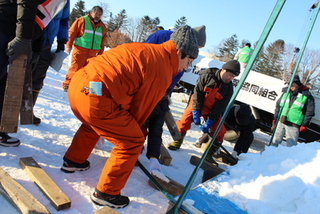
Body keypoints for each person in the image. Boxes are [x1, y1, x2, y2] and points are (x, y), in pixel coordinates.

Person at [60, 25, 199, 208]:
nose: (185, 67)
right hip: (95, 99)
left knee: (96, 122)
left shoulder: (145, 49)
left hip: (79, 87)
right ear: (180, 52)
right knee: (132, 140)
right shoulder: (162, 69)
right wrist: (137, 133)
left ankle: (73, 160)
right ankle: (106, 193)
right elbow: (139, 111)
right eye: (188, 62)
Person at [143, 25, 206, 173]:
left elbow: (177, 74)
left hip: (160, 89)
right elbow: (144, 53)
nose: (195, 49)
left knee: (154, 119)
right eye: (196, 45)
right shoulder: (162, 36)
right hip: (145, 83)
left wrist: (166, 96)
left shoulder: (188, 54)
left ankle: (140, 151)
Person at [167, 60, 241, 164]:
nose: (231, 78)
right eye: (230, 75)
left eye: (233, 77)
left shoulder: (228, 89)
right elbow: (197, 93)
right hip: (196, 103)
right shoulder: (207, 75)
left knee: (220, 132)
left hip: (211, 110)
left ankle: (209, 154)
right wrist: (196, 111)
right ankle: (177, 141)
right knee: (183, 122)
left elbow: (220, 106)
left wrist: (211, 120)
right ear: (223, 70)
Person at [0, 0, 45, 146]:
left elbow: (43, 16)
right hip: (6, 27)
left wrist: (36, 45)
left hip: (15, 30)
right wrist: (23, 38)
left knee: (3, 85)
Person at [31, 0, 70, 124]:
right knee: (18, 75)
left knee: (38, 78)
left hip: (46, 43)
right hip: (28, 39)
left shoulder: (64, 1)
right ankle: (10, 111)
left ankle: (28, 110)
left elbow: (64, 20)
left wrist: (61, 40)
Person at [62, 6, 107, 91]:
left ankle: (81, 85)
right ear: (91, 12)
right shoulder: (82, 20)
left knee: (88, 72)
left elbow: (102, 41)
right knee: (75, 68)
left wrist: (101, 54)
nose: (98, 16)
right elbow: (72, 32)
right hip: (80, 51)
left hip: (93, 54)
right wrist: (69, 45)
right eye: (96, 13)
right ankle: (68, 84)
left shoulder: (102, 27)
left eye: (100, 14)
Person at [271, 75, 315, 147]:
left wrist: (304, 124)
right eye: (289, 84)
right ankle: (269, 155)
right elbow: (278, 105)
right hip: (281, 120)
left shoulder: (306, 95)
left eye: (292, 84)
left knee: (291, 145)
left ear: (297, 84)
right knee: (274, 141)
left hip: (293, 124)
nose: (290, 86)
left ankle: (289, 158)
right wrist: (275, 118)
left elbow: (310, 112)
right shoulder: (286, 92)